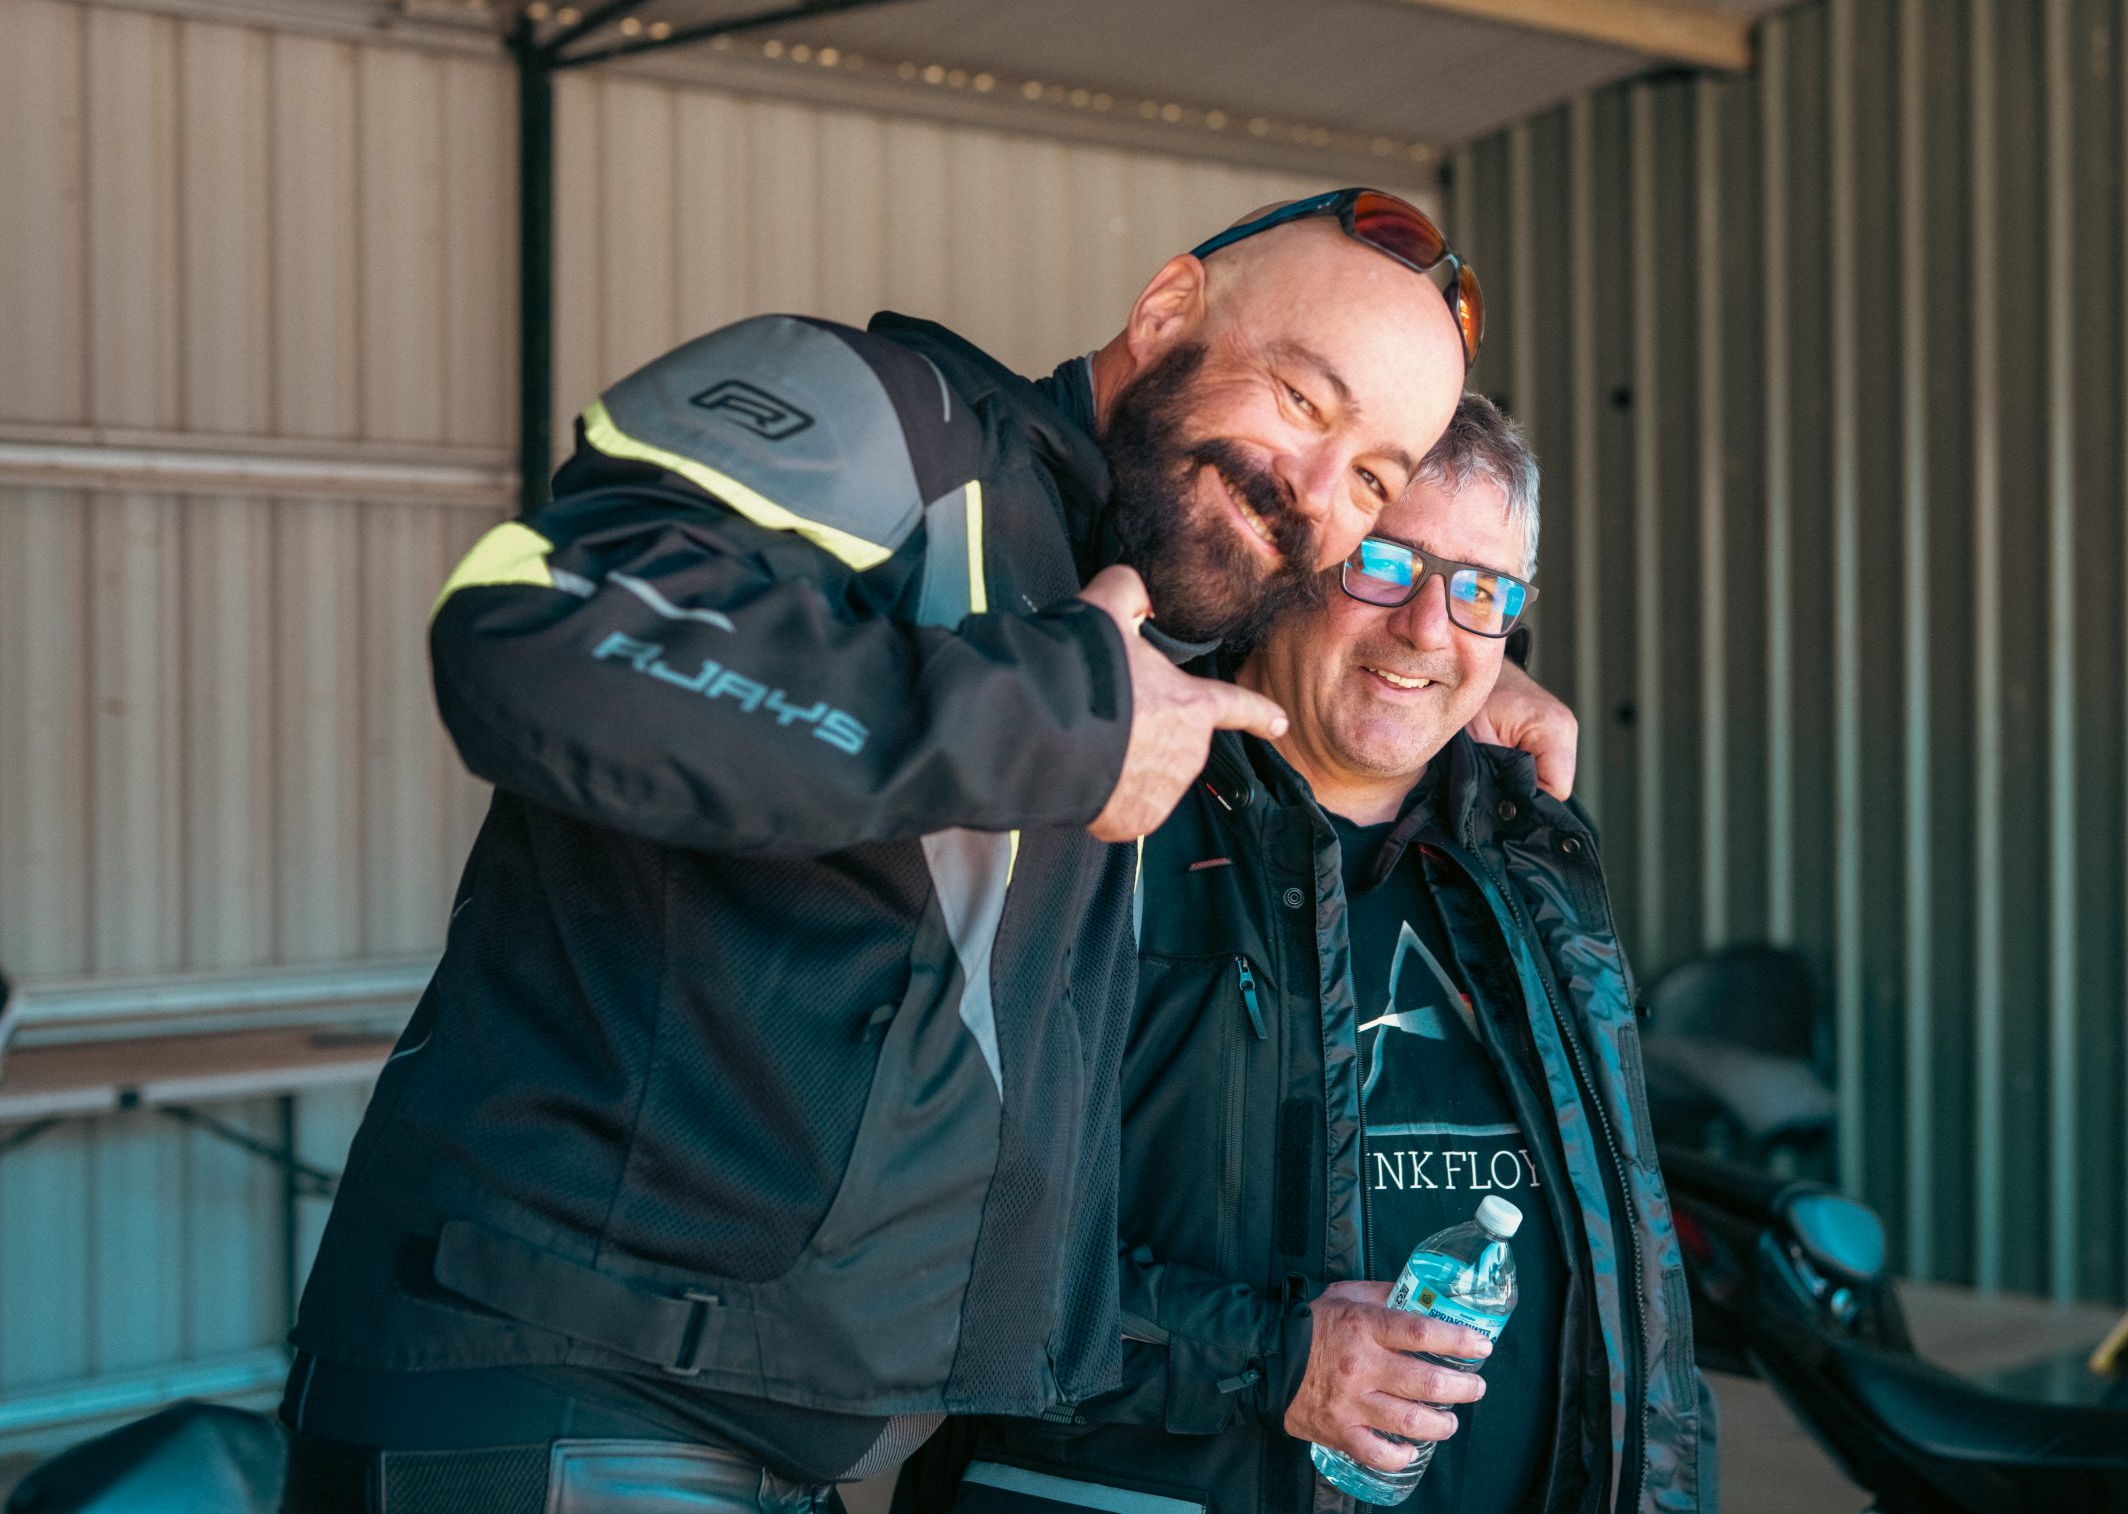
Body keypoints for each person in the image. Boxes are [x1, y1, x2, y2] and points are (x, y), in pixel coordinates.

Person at [279, 190, 1578, 1513]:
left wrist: (1451, 685)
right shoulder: (887, 422)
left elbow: (1298, 641)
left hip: (770, 1446)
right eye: (1303, 399)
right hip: (559, 1387)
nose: (1315, 486)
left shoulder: (1124, 600)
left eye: (1370, 478)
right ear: (1165, 311)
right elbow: (541, 629)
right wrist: (1055, 728)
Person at [903, 395, 1707, 1514]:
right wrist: (1271, 1359)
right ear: (1285, 570)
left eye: (1479, 589)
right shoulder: (1109, 825)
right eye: (1383, 563)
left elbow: (1631, 1275)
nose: (1427, 627)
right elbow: (930, 1234)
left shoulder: (1533, 849)